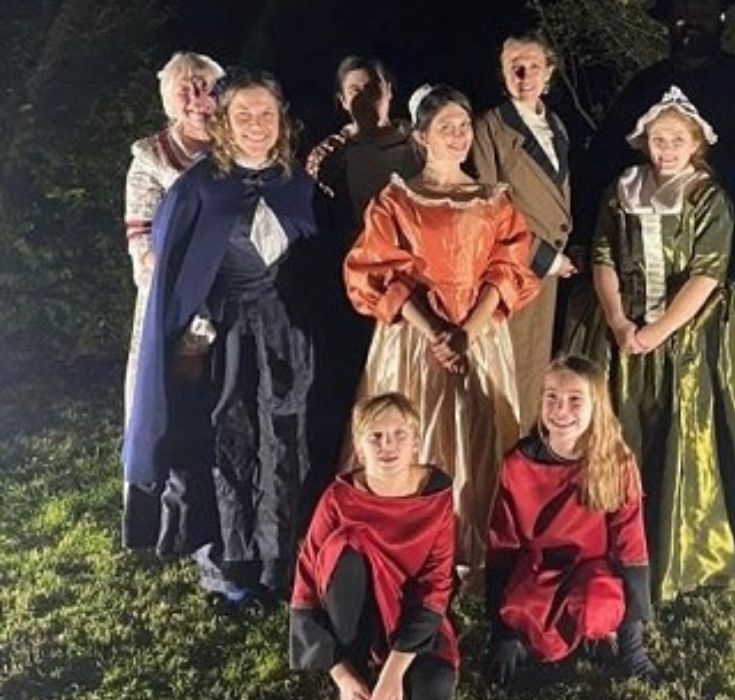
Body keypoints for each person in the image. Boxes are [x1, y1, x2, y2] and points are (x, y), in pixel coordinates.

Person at [568, 86, 735, 602]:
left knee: (685, 440)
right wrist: (619, 322)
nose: (666, 148)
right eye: (658, 139)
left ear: (695, 142)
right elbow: (604, 254)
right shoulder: (623, 188)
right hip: (622, 334)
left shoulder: (706, 197)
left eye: (677, 139)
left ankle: (687, 551)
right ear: (644, 142)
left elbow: (707, 274)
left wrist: (658, 331)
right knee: (621, 437)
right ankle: (609, 546)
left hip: (688, 336)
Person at [122, 70, 318, 603]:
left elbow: (316, 270)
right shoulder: (199, 189)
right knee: (229, 444)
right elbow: (178, 278)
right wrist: (194, 332)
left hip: (284, 340)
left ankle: (283, 561)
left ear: (283, 122)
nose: (256, 126)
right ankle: (232, 565)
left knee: (283, 444)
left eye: (266, 115)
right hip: (222, 339)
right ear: (226, 123)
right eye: (244, 115)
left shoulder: (299, 187)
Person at [344, 84, 539, 571]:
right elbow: (377, 270)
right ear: (422, 136)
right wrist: (434, 332)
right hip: (414, 339)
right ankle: (410, 545)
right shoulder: (397, 200)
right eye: (445, 127)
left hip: (478, 335)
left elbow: (508, 267)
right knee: (416, 429)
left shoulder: (493, 200)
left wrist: (467, 332)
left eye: (463, 126)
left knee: (479, 430)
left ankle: (476, 545)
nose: (457, 135)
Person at [582, 0, 735, 291]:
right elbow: (603, 166)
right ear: (668, 23)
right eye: (681, 17)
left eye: (701, 16)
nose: (691, 25)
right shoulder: (644, 86)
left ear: (719, 21)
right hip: (650, 260)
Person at [485, 355, 658, 684]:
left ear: (596, 408)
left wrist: (634, 652)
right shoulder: (517, 463)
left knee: (597, 606)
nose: (561, 410)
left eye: (575, 400)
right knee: (523, 611)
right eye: (552, 397)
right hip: (539, 570)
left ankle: (599, 635)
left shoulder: (616, 465)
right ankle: (534, 640)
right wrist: (503, 635)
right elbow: (501, 547)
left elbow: (630, 549)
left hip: (593, 572)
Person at [303, 56, 423, 502]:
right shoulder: (330, 158)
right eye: (354, 90)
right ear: (341, 100)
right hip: (361, 290)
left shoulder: (418, 144)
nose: (365, 98)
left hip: (417, 282)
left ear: (389, 90)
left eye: (373, 87)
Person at [290, 393, 458, 700]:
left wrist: (394, 672)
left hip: (407, 615)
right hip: (353, 615)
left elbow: (436, 585)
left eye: (399, 435)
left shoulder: (436, 498)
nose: (387, 446)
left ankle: (389, 664)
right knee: (347, 546)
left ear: (416, 443)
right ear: (359, 447)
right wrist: (341, 673)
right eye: (376, 437)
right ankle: (356, 663)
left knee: (434, 686)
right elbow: (307, 581)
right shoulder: (338, 499)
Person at [472, 35, 579, 431]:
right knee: (512, 372)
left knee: (540, 371)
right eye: (514, 64)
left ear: (549, 71)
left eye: (533, 64)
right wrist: (543, 257)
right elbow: (488, 208)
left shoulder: (556, 124)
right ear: (502, 73)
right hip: (517, 268)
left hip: (554, 271)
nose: (524, 73)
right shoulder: (490, 127)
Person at [121, 51, 223, 439]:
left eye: (208, 86)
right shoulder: (150, 157)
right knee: (173, 409)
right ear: (169, 99)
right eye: (187, 88)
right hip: (174, 303)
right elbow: (141, 241)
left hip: (234, 295)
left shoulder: (241, 148)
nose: (199, 97)